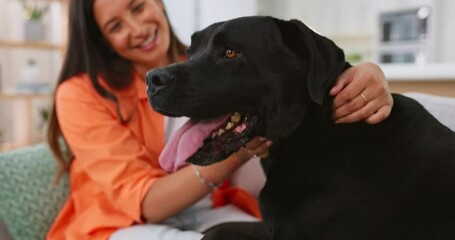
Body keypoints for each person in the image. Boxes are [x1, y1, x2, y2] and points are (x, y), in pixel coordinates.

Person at [45, 0, 393, 239]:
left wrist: (366, 74)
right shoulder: (80, 94)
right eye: (116, 25)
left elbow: (295, 87)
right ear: (102, 40)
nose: (137, 28)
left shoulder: (205, 68)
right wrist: (240, 149)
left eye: (138, 6)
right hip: (119, 227)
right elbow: (146, 204)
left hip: (213, 210)